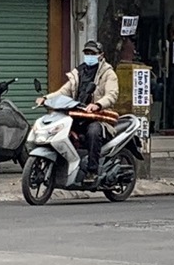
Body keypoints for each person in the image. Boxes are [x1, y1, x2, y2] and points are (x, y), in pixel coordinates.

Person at [44, 41, 119, 176]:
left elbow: (112, 95)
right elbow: (63, 92)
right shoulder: (78, 73)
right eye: (87, 53)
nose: (89, 56)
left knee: (93, 132)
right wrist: (46, 98)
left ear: (101, 55)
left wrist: (98, 104)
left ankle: (92, 171)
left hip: (100, 118)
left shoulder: (108, 74)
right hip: (77, 116)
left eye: (93, 54)